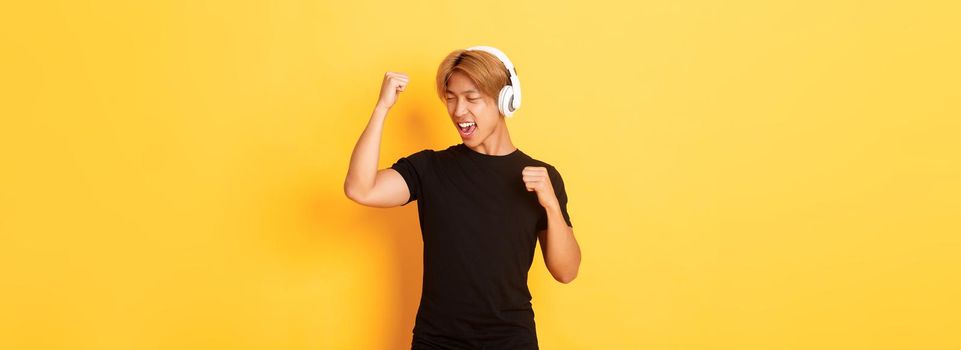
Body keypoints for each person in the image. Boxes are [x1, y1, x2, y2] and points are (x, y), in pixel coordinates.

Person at [344, 46, 581, 350]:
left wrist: (550, 205)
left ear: (506, 101)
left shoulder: (543, 177)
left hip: (511, 340)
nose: (458, 111)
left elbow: (567, 271)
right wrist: (382, 108)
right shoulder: (430, 168)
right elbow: (360, 189)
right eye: (451, 99)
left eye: (472, 98)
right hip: (438, 341)